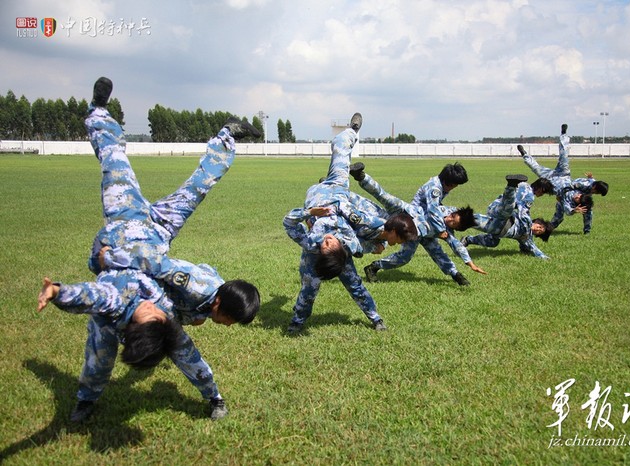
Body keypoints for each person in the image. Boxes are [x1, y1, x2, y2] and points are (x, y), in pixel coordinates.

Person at [86, 77, 260, 326]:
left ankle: (226, 135)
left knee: (198, 187)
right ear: (219, 304)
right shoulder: (195, 285)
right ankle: (98, 112)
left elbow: (204, 272)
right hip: (136, 230)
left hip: (160, 229)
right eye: (231, 320)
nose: (229, 325)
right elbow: (155, 263)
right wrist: (106, 260)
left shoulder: (212, 290)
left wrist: (196, 315)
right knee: (115, 166)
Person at [36, 272, 229, 422]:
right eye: (155, 317)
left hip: (137, 300)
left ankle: (215, 398)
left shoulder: (162, 305)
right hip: (107, 322)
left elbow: (188, 288)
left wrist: (201, 314)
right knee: (98, 361)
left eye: (159, 316)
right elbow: (88, 296)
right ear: (132, 328)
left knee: (187, 355)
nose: (155, 311)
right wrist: (56, 292)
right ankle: (86, 400)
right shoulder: (113, 300)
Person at [284, 114, 399, 334]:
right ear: (341, 251)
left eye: (322, 248)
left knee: (340, 148)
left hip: (317, 195)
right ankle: (298, 322)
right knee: (312, 289)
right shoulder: (348, 244)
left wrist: (309, 213)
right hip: (337, 190)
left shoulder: (311, 243)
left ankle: (352, 131)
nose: (324, 243)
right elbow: (363, 241)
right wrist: (378, 244)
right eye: (329, 247)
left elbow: (288, 222)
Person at [350, 163, 485, 286]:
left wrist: (469, 263)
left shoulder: (447, 203)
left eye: (453, 222)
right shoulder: (435, 187)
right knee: (384, 198)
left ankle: (374, 267)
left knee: (414, 256)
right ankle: (361, 177)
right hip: (408, 212)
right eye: (452, 217)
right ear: (449, 181)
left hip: (419, 231)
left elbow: (456, 244)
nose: (449, 219)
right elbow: (432, 210)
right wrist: (440, 229)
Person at [518, 123, 608, 234]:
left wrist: (576, 215)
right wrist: (583, 182)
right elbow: (578, 183)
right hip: (564, 174)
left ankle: (524, 155)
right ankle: (564, 135)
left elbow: (573, 210)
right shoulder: (586, 186)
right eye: (596, 191)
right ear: (594, 187)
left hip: (551, 182)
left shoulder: (582, 200)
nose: (578, 195)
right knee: (564, 155)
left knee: (536, 168)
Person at [461, 176, 553, 259]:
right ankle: (511, 185)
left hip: (497, 222)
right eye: (540, 227)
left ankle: (467, 239)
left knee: (492, 242)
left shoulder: (527, 236)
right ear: (542, 189)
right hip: (501, 215)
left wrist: (541, 255)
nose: (538, 229)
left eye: (539, 232)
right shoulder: (529, 198)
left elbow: (532, 247)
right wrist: (527, 224)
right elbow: (523, 213)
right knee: (508, 211)